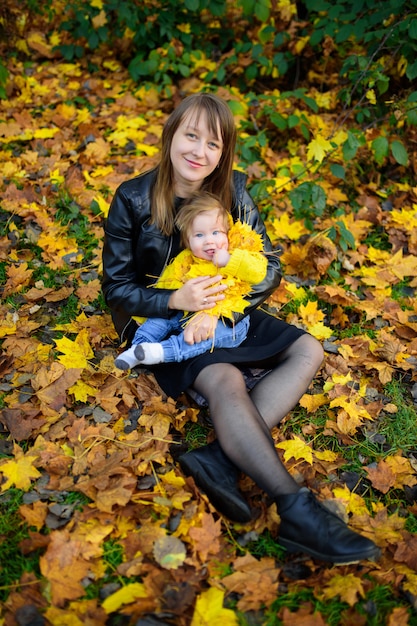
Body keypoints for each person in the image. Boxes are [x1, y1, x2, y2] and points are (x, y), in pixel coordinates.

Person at [102, 91, 381, 564]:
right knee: (226, 379)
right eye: (190, 136)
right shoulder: (132, 198)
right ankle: (295, 507)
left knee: (309, 348)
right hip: (165, 324)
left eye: (212, 143)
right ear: (171, 136)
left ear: (223, 151)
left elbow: (268, 268)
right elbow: (116, 288)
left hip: (228, 311)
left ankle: (217, 459)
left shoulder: (233, 190)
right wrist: (176, 299)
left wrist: (222, 306)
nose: (199, 151)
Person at [114, 191, 268, 369]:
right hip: (185, 310)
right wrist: (148, 314)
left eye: (216, 232)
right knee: (159, 320)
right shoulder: (185, 259)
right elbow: (167, 283)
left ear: (228, 233)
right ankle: (138, 348)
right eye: (199, 235)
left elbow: (259, 272)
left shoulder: (238, 254)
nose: (209, 241)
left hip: (226, 318)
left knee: (224, 332)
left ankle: (163, 351)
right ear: (188, 241)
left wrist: (229, 260)